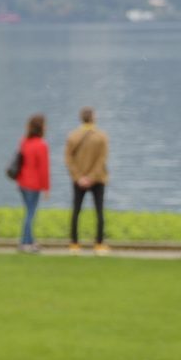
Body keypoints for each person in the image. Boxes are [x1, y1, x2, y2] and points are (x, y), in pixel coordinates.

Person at [65, 107, 110, 253]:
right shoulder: (101, 136)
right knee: (99, 212)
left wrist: (79, 177)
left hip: (78, 180)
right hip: (98, 179)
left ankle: (74, 243)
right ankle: (99, 243)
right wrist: (92, 176)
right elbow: (102, 159)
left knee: (76, 211)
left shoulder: (73, 136)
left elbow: (68, 159)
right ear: (93, 118)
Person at [11, 114, 50, 251]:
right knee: (30, 214)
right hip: (34, 185)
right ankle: (26, 243)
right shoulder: (41, 145)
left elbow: (20, 162)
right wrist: (46, 188)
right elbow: (44, 169)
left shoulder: (24, 142)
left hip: (22, 182)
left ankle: (29, 240)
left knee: (28, 212)